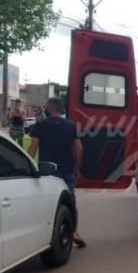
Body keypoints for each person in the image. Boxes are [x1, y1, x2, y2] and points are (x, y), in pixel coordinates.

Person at [27, 97, 86, 247]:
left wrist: (26, 166)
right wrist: (77, 168)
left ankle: (44, 234)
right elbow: (79, 149)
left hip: (47, 171)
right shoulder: (71, 126)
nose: (44, 109)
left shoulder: (40, 125)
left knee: (46, 203)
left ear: (51, 108)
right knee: (70, 202)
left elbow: (33, 147)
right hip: (67, 170)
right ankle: (74, 232)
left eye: (46, 107)